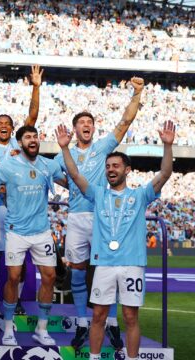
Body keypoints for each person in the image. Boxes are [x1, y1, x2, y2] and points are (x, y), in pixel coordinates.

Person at [55, 121, 174, 360]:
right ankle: (95, 357)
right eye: (108, 166)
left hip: (132, 264)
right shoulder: (98, 194)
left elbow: (165, 174)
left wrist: (167, 146)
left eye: (116, 166)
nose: (110, 169)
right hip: (105, 264)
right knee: (98, 316)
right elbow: (75, 175)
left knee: (130, 317)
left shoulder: (140, 195)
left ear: (127, 169)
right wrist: (65, 149)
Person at [53, 77, 144, 350]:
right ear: (74, 129)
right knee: (78, 269)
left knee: (109, 267)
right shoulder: (62, 155)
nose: (87, 126)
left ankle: (112, 323)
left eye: (90, 123)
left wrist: (136, 94)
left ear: (93, 128)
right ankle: (83, 321)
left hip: (104, 217)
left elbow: (125, 122)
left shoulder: (103, 148)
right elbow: (60, 178)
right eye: (82, 123)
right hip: (77, 216)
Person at [0, 125, 66, 346]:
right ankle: (8, 328)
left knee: (50, 276)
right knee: (14, 277)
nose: (33, 140)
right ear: (20, 143)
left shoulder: (48, 164)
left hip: (42, 231)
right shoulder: (8, 166)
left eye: (35, 136)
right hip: (16, 231)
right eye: (28, 137)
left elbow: (67, 181)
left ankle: (42, 328)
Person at [0, 65, 43, 316]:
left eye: (7, 123)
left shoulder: (18, 144)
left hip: (16, 210)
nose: (3, 126)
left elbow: (32, 117)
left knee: (17, 262)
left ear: (12, 130)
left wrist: (35, 86)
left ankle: (17, 300)